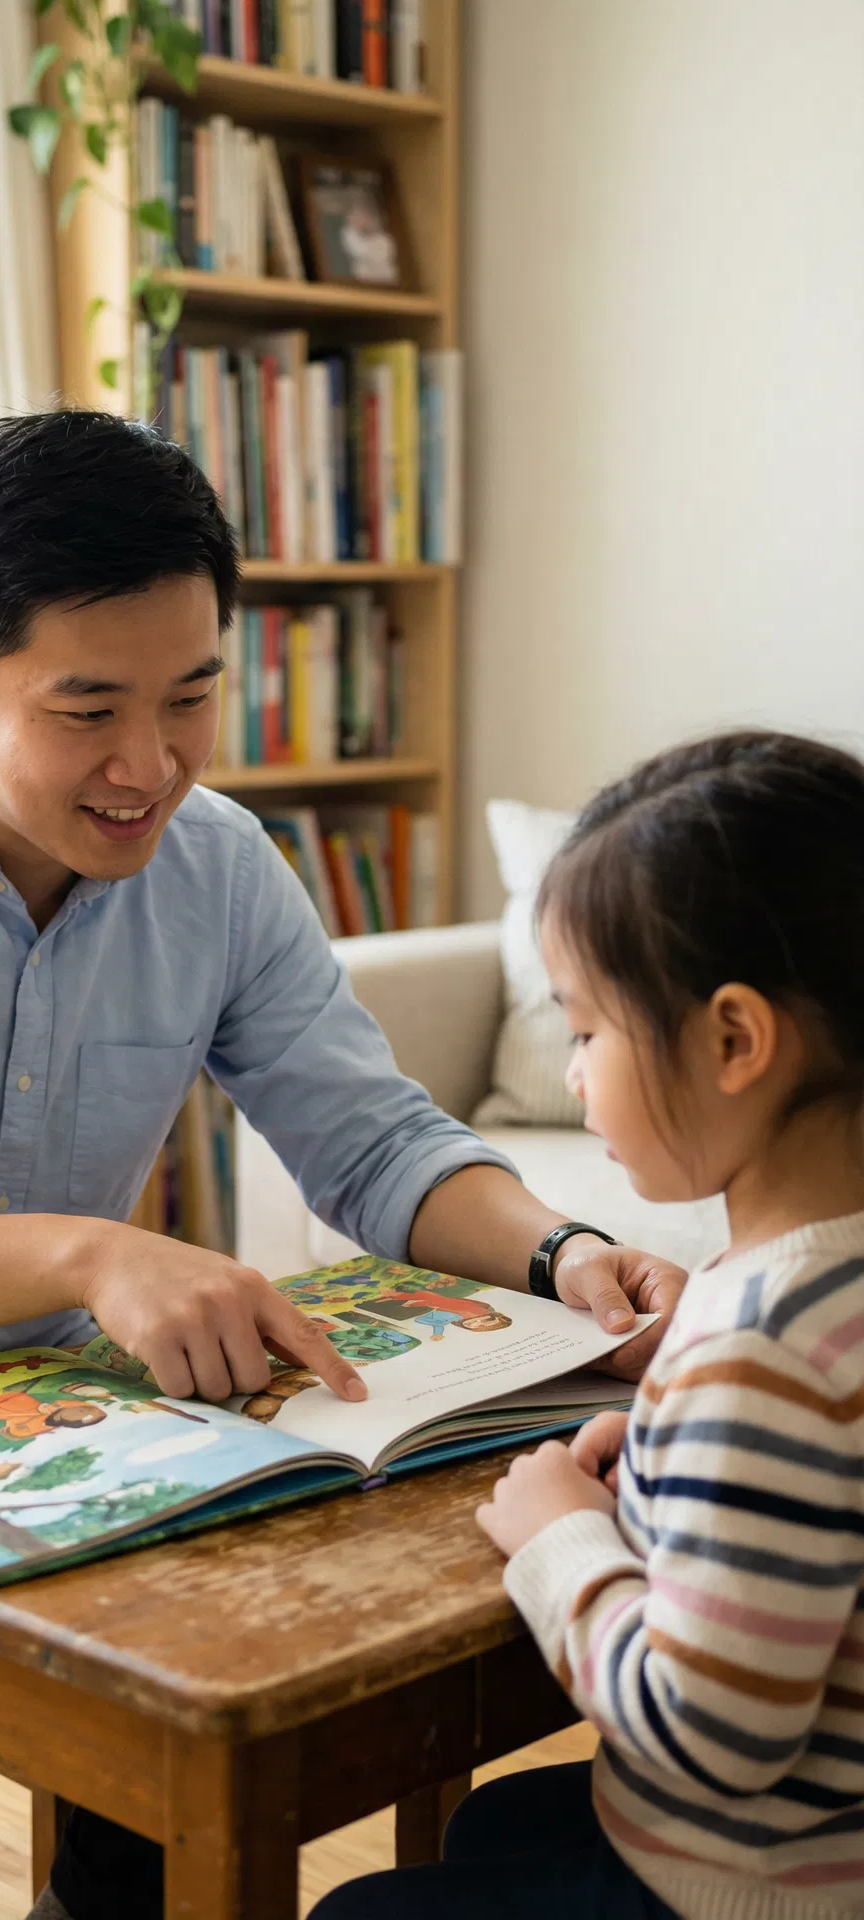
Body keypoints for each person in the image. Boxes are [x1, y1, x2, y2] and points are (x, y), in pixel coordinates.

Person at [0, 408, 682, 1920]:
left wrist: (564, 1254)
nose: (149, 766)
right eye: (87, 709)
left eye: (191, 699)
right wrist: (96, 1256)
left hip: (44, 1387)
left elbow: (369, 1137)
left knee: (213, 1653)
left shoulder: (219, 862)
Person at [312, 729, 864, 1920]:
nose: (572, 1076)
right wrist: (665, 1474)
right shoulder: (810, 1290)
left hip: (753, 1884)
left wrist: (564, 1535)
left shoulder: (761, 1342)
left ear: (733, 1040)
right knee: (493, 1821)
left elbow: (710, 1736)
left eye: (586, 1031)